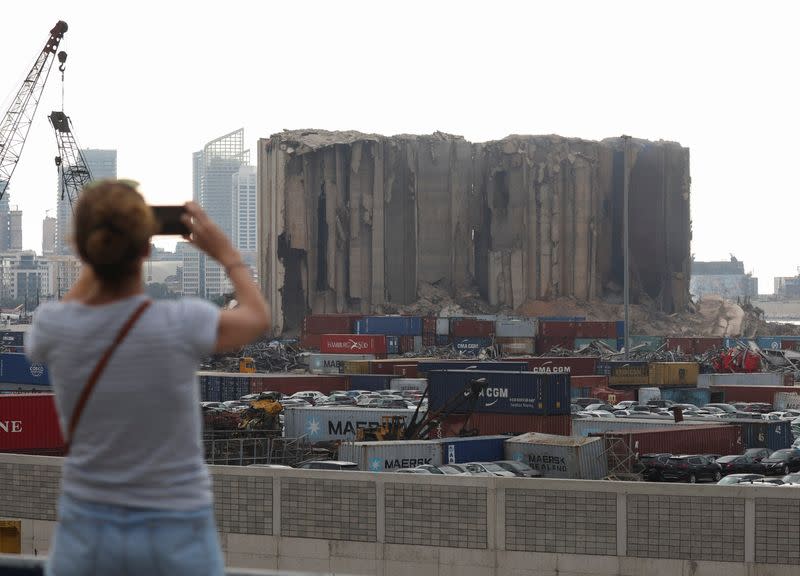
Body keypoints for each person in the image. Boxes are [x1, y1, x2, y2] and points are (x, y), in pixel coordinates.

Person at [26, 179, 270, 575]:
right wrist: (229, 257)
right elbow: (258, 318)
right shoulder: (182, 321)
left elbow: (77, 300)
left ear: (84, 249)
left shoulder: (53, 326)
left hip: (88, 537)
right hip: (176, 535)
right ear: (147, 249)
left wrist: (96, 259)